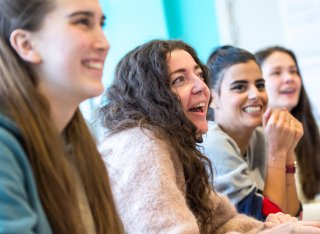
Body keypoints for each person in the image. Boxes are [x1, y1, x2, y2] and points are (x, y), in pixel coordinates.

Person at [99, 39, 320, 233]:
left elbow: (222, 222)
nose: (201, 87)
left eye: (199, 75)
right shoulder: (145, 145)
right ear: (151, 95)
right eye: (179, 80)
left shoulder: (177, 145)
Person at [0, 0, 124, 233]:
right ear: (26, 45)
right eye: (82, 22)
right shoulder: (4, 149)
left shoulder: (74, 138)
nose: (104, 43)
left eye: (101, 24)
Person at [202, 45, 303, 221]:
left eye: (260, 85)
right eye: (240, 87)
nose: (255, 94)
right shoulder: (212, 141)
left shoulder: (261, 136)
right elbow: (264, 224)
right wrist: (277, 151)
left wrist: (286, 151)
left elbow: (293, 217)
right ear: (212, 99)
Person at [255, 46, 320, 204]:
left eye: (293, 71)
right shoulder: (253, 139)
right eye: (276, 72)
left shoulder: (310, 129)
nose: (289, 78)